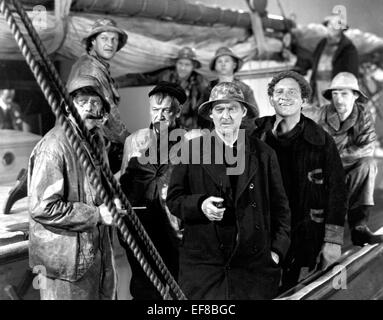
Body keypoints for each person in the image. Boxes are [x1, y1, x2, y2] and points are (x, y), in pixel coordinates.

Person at [166, 82, 291, 300]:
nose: (226, 115)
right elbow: (174, 199)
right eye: (219, 109)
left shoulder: (263, 154)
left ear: (243, 112)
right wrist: (200, 205)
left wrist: (276, 253)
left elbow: (281, 209)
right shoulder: (191, 150)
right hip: (205, 267)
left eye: (232, 108)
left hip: (253, 269)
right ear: (211, 115)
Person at [28, 77, 124, 300]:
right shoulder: (54, 147)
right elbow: (44, 208)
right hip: (66, 268)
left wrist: (111, 204)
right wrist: (97, 214)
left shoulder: (95, 142)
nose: (90, 107)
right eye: (82, 102)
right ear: (68, 108)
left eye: (95, 102)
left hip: (94, 256)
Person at [251, 71, 347, 292]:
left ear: (303, 100)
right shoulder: (256, 139)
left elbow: (337, 192)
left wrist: (333, 241)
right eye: (279, 92)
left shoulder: (321, 140)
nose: (285, 96)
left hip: (308, 236)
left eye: (292, 92)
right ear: (271, 99)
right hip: (267, 234)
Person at [118, 81, 187, 299]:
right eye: (155, 110)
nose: (160, 116)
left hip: (175, 231)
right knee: (144, 290)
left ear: (177, 111)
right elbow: (124, 186)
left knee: (180, 288)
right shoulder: (134, 141)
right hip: (142, 229)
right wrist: (125, 230)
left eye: (166, 110)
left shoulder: (191, 142)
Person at [318, 72, 382, 246]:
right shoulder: (321, 115)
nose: (339, 99)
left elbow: (368, 147)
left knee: (368, 164)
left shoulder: (363, 115)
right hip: (324, 171)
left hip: (345, 167)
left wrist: (337, 158)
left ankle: (359, 228)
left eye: (344, 93)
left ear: (355, 96)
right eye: (335, 94)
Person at [67, 18, 130, 172]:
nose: (110, 43)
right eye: (104, 38)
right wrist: (130, 141)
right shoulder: (92, 69)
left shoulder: (95, 65)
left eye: (114, 39)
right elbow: (110, 116)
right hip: (87, 144)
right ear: (93, 42)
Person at [115, 46, 210, 130]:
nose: (183, 68)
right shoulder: (167, 75)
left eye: (187, 65)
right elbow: (143, 78)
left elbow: (206, 109)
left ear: (193, 67)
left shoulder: (201, 82)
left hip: (190, 127)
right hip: (166, 123)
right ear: (176, 64)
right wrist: (115, 83)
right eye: (180, 63)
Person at [293, 13, 359, 107]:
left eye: (335, 24)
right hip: (319, 86)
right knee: (321, 114)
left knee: (334, 115)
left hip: (335, 89)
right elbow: (314, 60)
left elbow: (351, 75)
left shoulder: (348, 48)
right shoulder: (322, 44)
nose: (331, 27)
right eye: (329, 24)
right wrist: (299, 67)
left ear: (341, 28)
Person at [208, 46, 259, 128]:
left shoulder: (244, 89)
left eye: (227, 61)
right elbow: (201, 115)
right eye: (219, 61)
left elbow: (253, 115)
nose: (223, 64)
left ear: (234, 65)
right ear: (215, 66)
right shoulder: (209, 88)